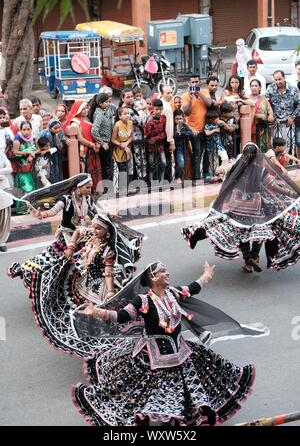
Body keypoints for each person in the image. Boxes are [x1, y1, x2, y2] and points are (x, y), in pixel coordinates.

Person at [71, 260, 266, 426]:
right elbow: (121, 316)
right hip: (153, 358)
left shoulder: (173, 293)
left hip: (180, 352)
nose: (168, 273)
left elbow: (191, 289)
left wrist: (206, 275)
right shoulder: (143, 301)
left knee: (196, 384)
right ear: (153, 278)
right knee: (147, 394)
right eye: (163, 271)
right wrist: (97, 312)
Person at [8, 210, 143, 358]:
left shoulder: (108, 251)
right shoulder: (92, 236)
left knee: (100, 312)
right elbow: (78, 230)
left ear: (107, 231)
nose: (94, 230)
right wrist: (71, 247)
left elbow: (108, 273)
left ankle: (101, 343)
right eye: (93, 227)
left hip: (100, 285)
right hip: (84, 280)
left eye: (98, 228)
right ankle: (85, 332)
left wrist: (110, 291)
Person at [182, 143, 300, 271]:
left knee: (239, 230)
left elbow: (221, 175)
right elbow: (273, 187)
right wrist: (291, 193)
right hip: (254, 206)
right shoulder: (260, 171)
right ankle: (253, 256)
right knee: (260, 230)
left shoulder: (234, 168)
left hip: (237, 205)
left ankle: (247, 258)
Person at [65, 101, 101, 194]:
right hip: (83, 150)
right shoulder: (75, 122)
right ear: (78, 110)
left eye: (86, 108)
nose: (86, 110)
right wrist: (91, 144)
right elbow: (80, 138)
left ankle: (94, 189)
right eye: (83, 109)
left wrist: (96, 143)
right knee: (84, 169)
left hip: (92, 149)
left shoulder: (87, 119)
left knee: (94, 169)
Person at [182, 74, 212, 182]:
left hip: (205, 129)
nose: (194, 84)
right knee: (196, 153)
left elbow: (209, 103)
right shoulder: (185, 95)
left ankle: (206, 173)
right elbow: (186, 112)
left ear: (200, 82)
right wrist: (190, 98)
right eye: (192, 82)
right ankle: (197, 177)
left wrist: (199, 94)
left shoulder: (204, 92)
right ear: (189, 84)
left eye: (196, 82)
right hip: (194, 130)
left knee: (206, 153)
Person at [266, 70, 300, 145]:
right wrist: (271, 115)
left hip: (289, 123)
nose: (278, 82)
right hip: (275, 123)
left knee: (289, 146)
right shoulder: (270, 88)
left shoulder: (293, 89)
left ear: (284, 78)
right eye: (276, 80)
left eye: (280, 79)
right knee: (275, 146)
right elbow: (267, 104)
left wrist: (292, 117)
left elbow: (299, 104)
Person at [90, 93, 114, 181]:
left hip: (107, 143)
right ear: (100, 103)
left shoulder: (103, 112)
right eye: (107, 102)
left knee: (107, 167)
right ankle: (107, 187)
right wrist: (102, 143)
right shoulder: (99, 114)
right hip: (104, 146)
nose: (108, 104)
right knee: (106, 167)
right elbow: (94, 130)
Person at [144, 99, 167, 183]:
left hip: (160, 145)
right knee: (151, 165)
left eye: (160, 109)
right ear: (153, 109)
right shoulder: (149, 119)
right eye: (156, 109)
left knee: (164, 163)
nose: (158, 111)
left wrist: (156, 138)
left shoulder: (163, 118)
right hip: (151, 147)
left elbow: (164, 133)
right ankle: (151, 182)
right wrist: (148, 123)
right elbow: (146, 133)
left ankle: (162, 180)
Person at [248, 79, 274, 151]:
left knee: (263, 148)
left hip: (262, 127)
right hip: (250, 127)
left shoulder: (263, 98)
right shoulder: (247, 98)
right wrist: (258, 115)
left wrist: (270, 116)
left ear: (259, 87)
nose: (254, 87)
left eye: (256, 86)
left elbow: (270, 110)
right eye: (252, 86)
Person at [112, 106, 133, 192]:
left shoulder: (130, 123)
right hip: (119, 149)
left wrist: (126, 144)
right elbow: (113, 139)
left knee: (127, 169)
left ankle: (126, 188)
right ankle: (121, 189)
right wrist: (122, 145)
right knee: (122, 169)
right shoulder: (117, 125)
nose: (127, 115)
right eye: (125, 114)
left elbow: (131, 136)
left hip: (127, 147)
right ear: (120, 116)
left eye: (128, 113)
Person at [204, 108, 229, 177]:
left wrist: (223, 122)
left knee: (225, 158)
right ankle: (214, 175)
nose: (217, 119)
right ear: (211, 119)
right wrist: (215, 130)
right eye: (216, 118)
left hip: (219, 146)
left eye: (218, 117)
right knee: (213, 162)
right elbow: (207, 133)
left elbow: (227, 128)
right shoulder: (207, 125)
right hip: (211, 147)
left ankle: (222, 171)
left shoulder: (219, 124)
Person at [173, 109, 193, 183]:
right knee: (180, 163)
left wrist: (182, 132)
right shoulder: (173, 127)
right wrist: (178, 132)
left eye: (180, 118)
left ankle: (183, 177)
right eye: (177, 119)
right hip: (177, 148)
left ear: (183, 118)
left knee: (185, 163)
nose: (179, 121)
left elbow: (190, 133)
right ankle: (177, 177)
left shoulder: (184, 126)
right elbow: (175, 137)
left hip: (185, 147)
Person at [0, 151, 13, 252]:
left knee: (4, 216)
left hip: (3, 188)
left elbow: (10, 169)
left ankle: (2, 242)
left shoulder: (1, 154)